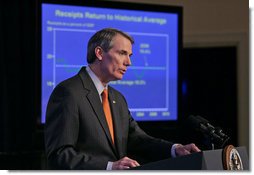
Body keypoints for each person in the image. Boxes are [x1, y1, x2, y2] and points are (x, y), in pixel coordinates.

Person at [45, 28, 200, 170]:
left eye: (129, 55)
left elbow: (138, 139)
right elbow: (59, 155)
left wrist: (175, 149)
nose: (129, 62)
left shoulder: (117, 98)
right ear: (99, 53)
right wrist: (109, 167)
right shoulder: (69, 92)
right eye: (122, 53)